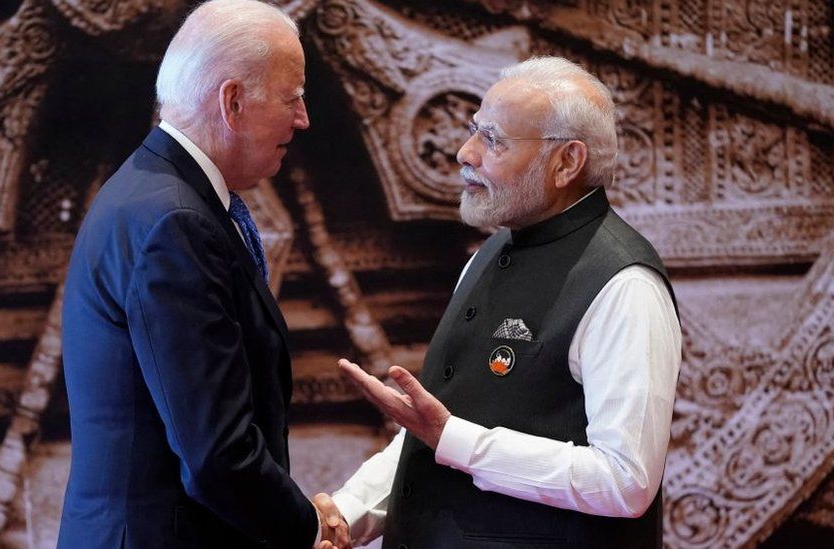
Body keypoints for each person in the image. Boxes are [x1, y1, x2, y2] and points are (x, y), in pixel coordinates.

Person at [316, 56, 682, 548]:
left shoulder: (625, 284)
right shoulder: (488, 255)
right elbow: (435, 434)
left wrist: (457, 440)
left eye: (493, 140)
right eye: (474, 132)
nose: (465, 153)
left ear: (566, 162)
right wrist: (345, 514)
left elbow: (625, 480)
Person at [58, 1, 348, 547]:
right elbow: (217, 455)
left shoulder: (149, 189)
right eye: (293, 98)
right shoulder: (176, 222)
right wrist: (309, 529)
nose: (304, 118)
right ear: (232, 101)